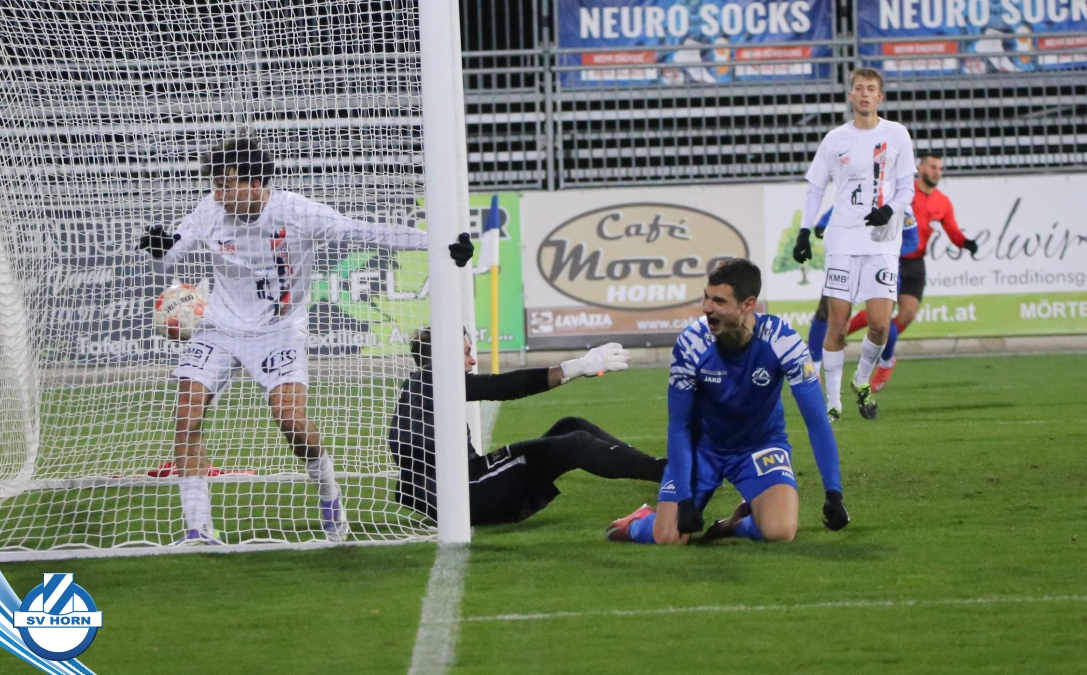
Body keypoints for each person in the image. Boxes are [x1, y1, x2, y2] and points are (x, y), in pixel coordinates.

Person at [136, 137, 475, 545]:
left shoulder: (297, 213)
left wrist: (438, 244)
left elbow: (366, 232)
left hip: (279, 330)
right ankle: (198, 528)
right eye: (216, 185)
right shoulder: (210, 209)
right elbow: (172, 249)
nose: (218, 194)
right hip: (219, 327)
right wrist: (160, 246)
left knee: (290, 422)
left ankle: (328, 489)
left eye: (226, 184)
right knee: (187, 416)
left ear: (256, 183)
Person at [606, 259, 848, 546]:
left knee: (780, 532)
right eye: (706, 297)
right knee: (668, 537)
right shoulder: (691, 344)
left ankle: (735, 524)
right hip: (703, 449)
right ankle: (637, 523)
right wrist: (684, 499)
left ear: (747, 305)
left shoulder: (783, 341)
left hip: (760, 447)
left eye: (719, 301)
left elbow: (817, 421)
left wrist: (834, 492)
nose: (706, 308)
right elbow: (679, 426)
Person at [390, 330, 666, 526]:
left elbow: (403, 447)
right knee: (575, 443)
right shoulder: (433, 379)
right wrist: (576, 367)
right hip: (467, 493)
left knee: (570, 426)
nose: (472, 361)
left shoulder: (421, 386)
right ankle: (671, 474)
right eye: (465, 353)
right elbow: (502, 386)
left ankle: (661, 469)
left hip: (465, 485)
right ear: (444, 355)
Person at [792, 67, 917, 422]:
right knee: (838, 321)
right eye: (858, 88)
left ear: (880, 97)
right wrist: (804, 231)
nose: (864, 94)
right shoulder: (835, 139)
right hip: (843, 239)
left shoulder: (897, 134)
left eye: (870, 89)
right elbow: (816, 188)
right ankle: (833, 401)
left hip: (882, 241)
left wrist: (890, 209)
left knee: (880, 325)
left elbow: (907, 187)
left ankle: (861, 379)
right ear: (850, 96)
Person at [843, 152, 978, 391]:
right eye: (933, 167)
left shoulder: (942, 202)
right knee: (881, 316)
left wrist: (966, 243)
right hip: (892, 259)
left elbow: (952, 230)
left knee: (905, 316)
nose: (937, 172)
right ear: (921, 168)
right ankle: (844, 335)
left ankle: (885, 360)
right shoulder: (904, 192)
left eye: (940, 169)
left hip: (916, 264)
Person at [807, 205, 919, 379]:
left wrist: (885, 250)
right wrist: (823, 224)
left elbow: (912, 241)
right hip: (847, 262)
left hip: (881, 268)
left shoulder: (900, 204)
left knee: (881, 324)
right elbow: (838, 207)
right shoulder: (855, 195)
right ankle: (812, 370)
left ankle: (886, 362)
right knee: (825, 312)